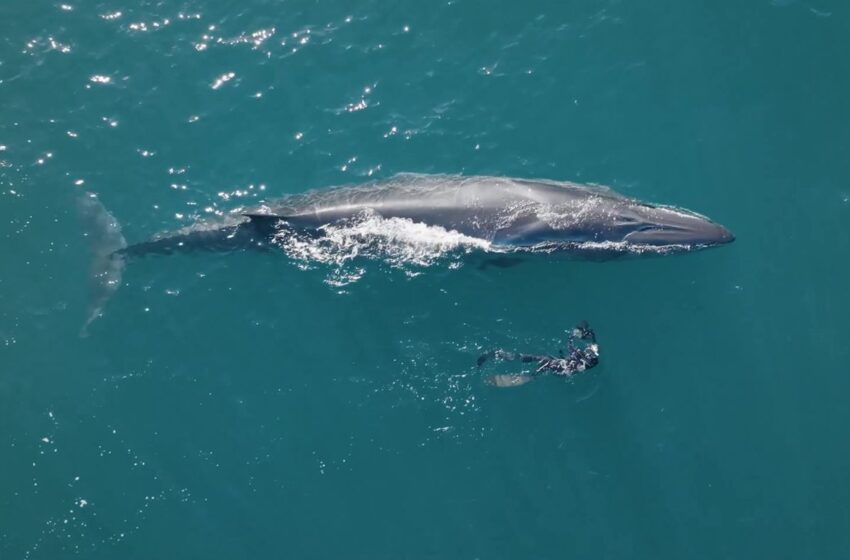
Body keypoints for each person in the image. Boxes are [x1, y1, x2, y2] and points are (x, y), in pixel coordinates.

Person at [477, 322, 600, 386]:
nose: (589, 349)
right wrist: (591, 337)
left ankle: (529, 376)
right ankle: (529, 374)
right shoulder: (588, 360)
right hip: (562, 367)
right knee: (541, 361)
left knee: (542, 361)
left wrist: (573, 335)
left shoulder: (582, 359)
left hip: (558, 367)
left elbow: (570, 346)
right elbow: (589, 349)